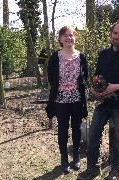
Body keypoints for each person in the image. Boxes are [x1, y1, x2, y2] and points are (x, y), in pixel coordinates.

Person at [78, 21, 119, 180]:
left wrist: (115, 87)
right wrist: (94, 89)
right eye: (115, 33)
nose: (117, 37)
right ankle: (92, 168)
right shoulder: (103, 54)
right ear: (111, 34)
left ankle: (115, 171)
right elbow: (97, 76)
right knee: (93, 135)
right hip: (103, 103)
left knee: (118, 138)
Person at [46, 26, 88, 174]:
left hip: (77, 98)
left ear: (75, 38)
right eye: (65, 35)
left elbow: (85, 77)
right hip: (61, 98)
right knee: (63, 128)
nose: (69, 38)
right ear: (60, 39)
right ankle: (64, 158)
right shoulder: (55, 57)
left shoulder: (81, 57)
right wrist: (63, 88)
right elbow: (51, 77)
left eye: (71, 35)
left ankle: (76, 155)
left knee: (77, 128)